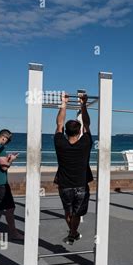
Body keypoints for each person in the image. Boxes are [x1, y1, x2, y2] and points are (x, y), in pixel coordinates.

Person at [54, 92, 93, 245]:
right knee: (76, 213)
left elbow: (59, 124)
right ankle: (73, 232)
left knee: (68, 211)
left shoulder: (60, 142)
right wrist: (83, 105)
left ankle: (73, 232)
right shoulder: (85, 143)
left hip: (64, 185)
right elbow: (87, 124)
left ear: (66, 131)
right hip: (81, 185)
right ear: (79, 132)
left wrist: (63, 103)